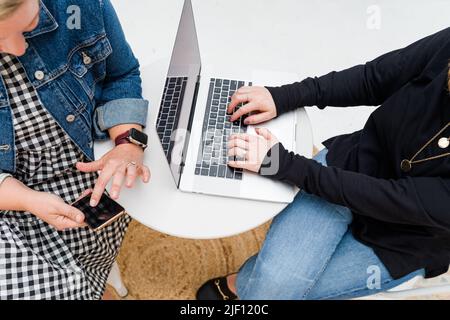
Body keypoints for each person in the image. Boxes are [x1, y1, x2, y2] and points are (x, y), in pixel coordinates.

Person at [197, 27, 450, 300]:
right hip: (350, 164)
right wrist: (285, 96)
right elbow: (373, 78)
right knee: (276, 282)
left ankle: (242, 284)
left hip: (403, 241)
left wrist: (283, 165)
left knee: (270, 290)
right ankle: (251, 283)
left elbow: (389, 197)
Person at [0, 0, 150, 299]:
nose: (17, 49)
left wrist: (127, 142)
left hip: (83, 159)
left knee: (95, 247)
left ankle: (95, 284)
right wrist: (27, 199)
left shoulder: (79, 7)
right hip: (9, 193)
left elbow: (122, 74)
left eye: (29, 26)